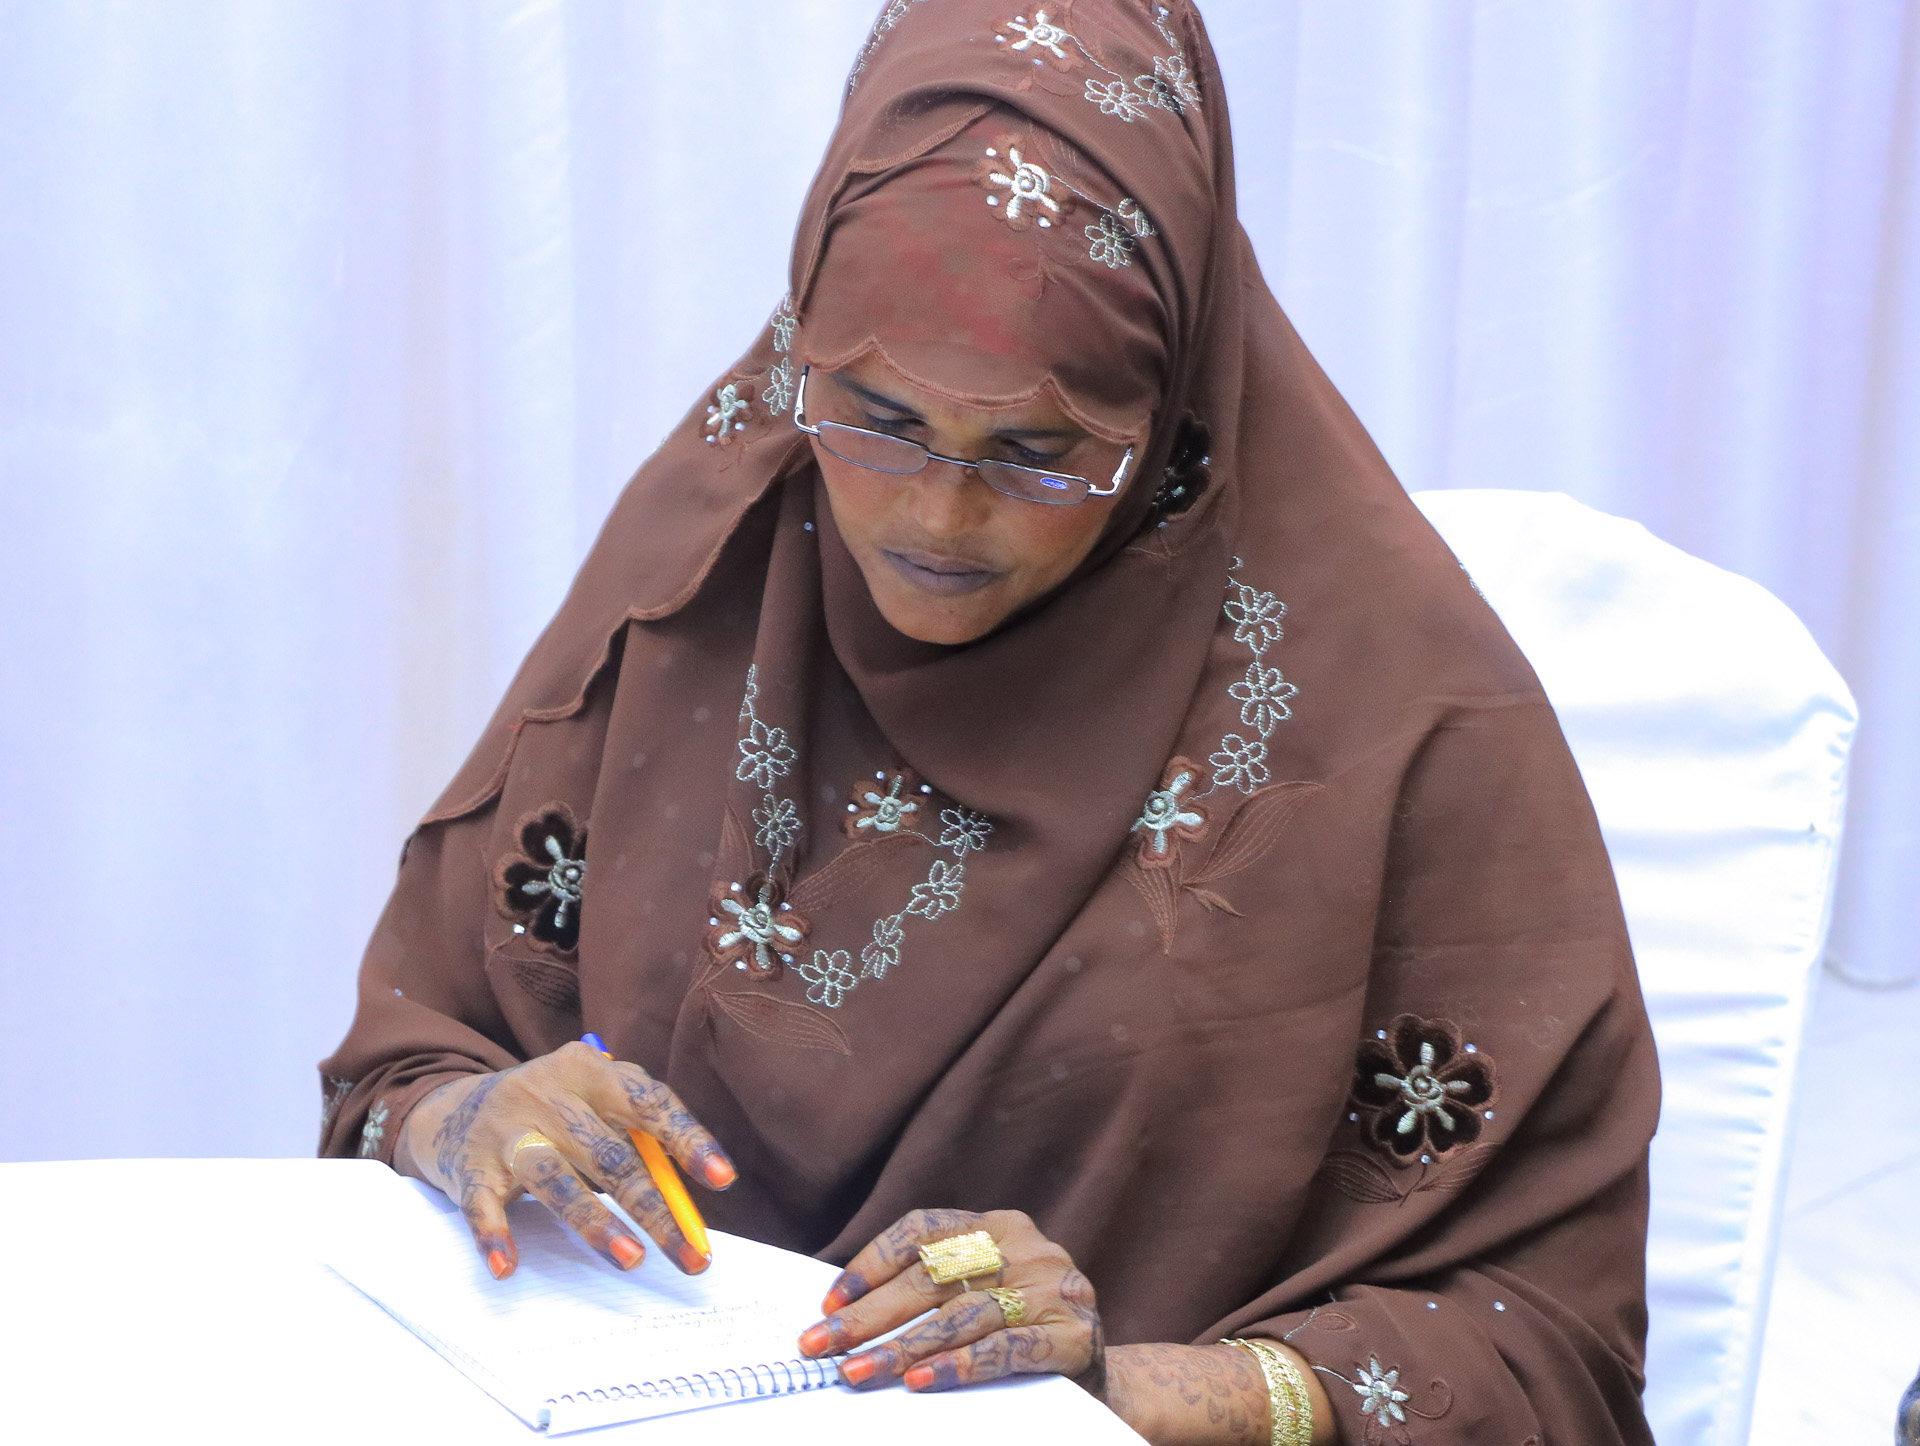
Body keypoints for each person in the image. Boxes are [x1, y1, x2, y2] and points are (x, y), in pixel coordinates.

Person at [319, 3, 1659, 1442]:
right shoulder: (708, 573)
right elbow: (409, 1055)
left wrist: (1118, 1387)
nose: (937, 521)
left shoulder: (1400, 723)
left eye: (1039, 453)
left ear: (1170, 409)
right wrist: (474, 1118)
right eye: (877, 419)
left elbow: (1549, 1350)